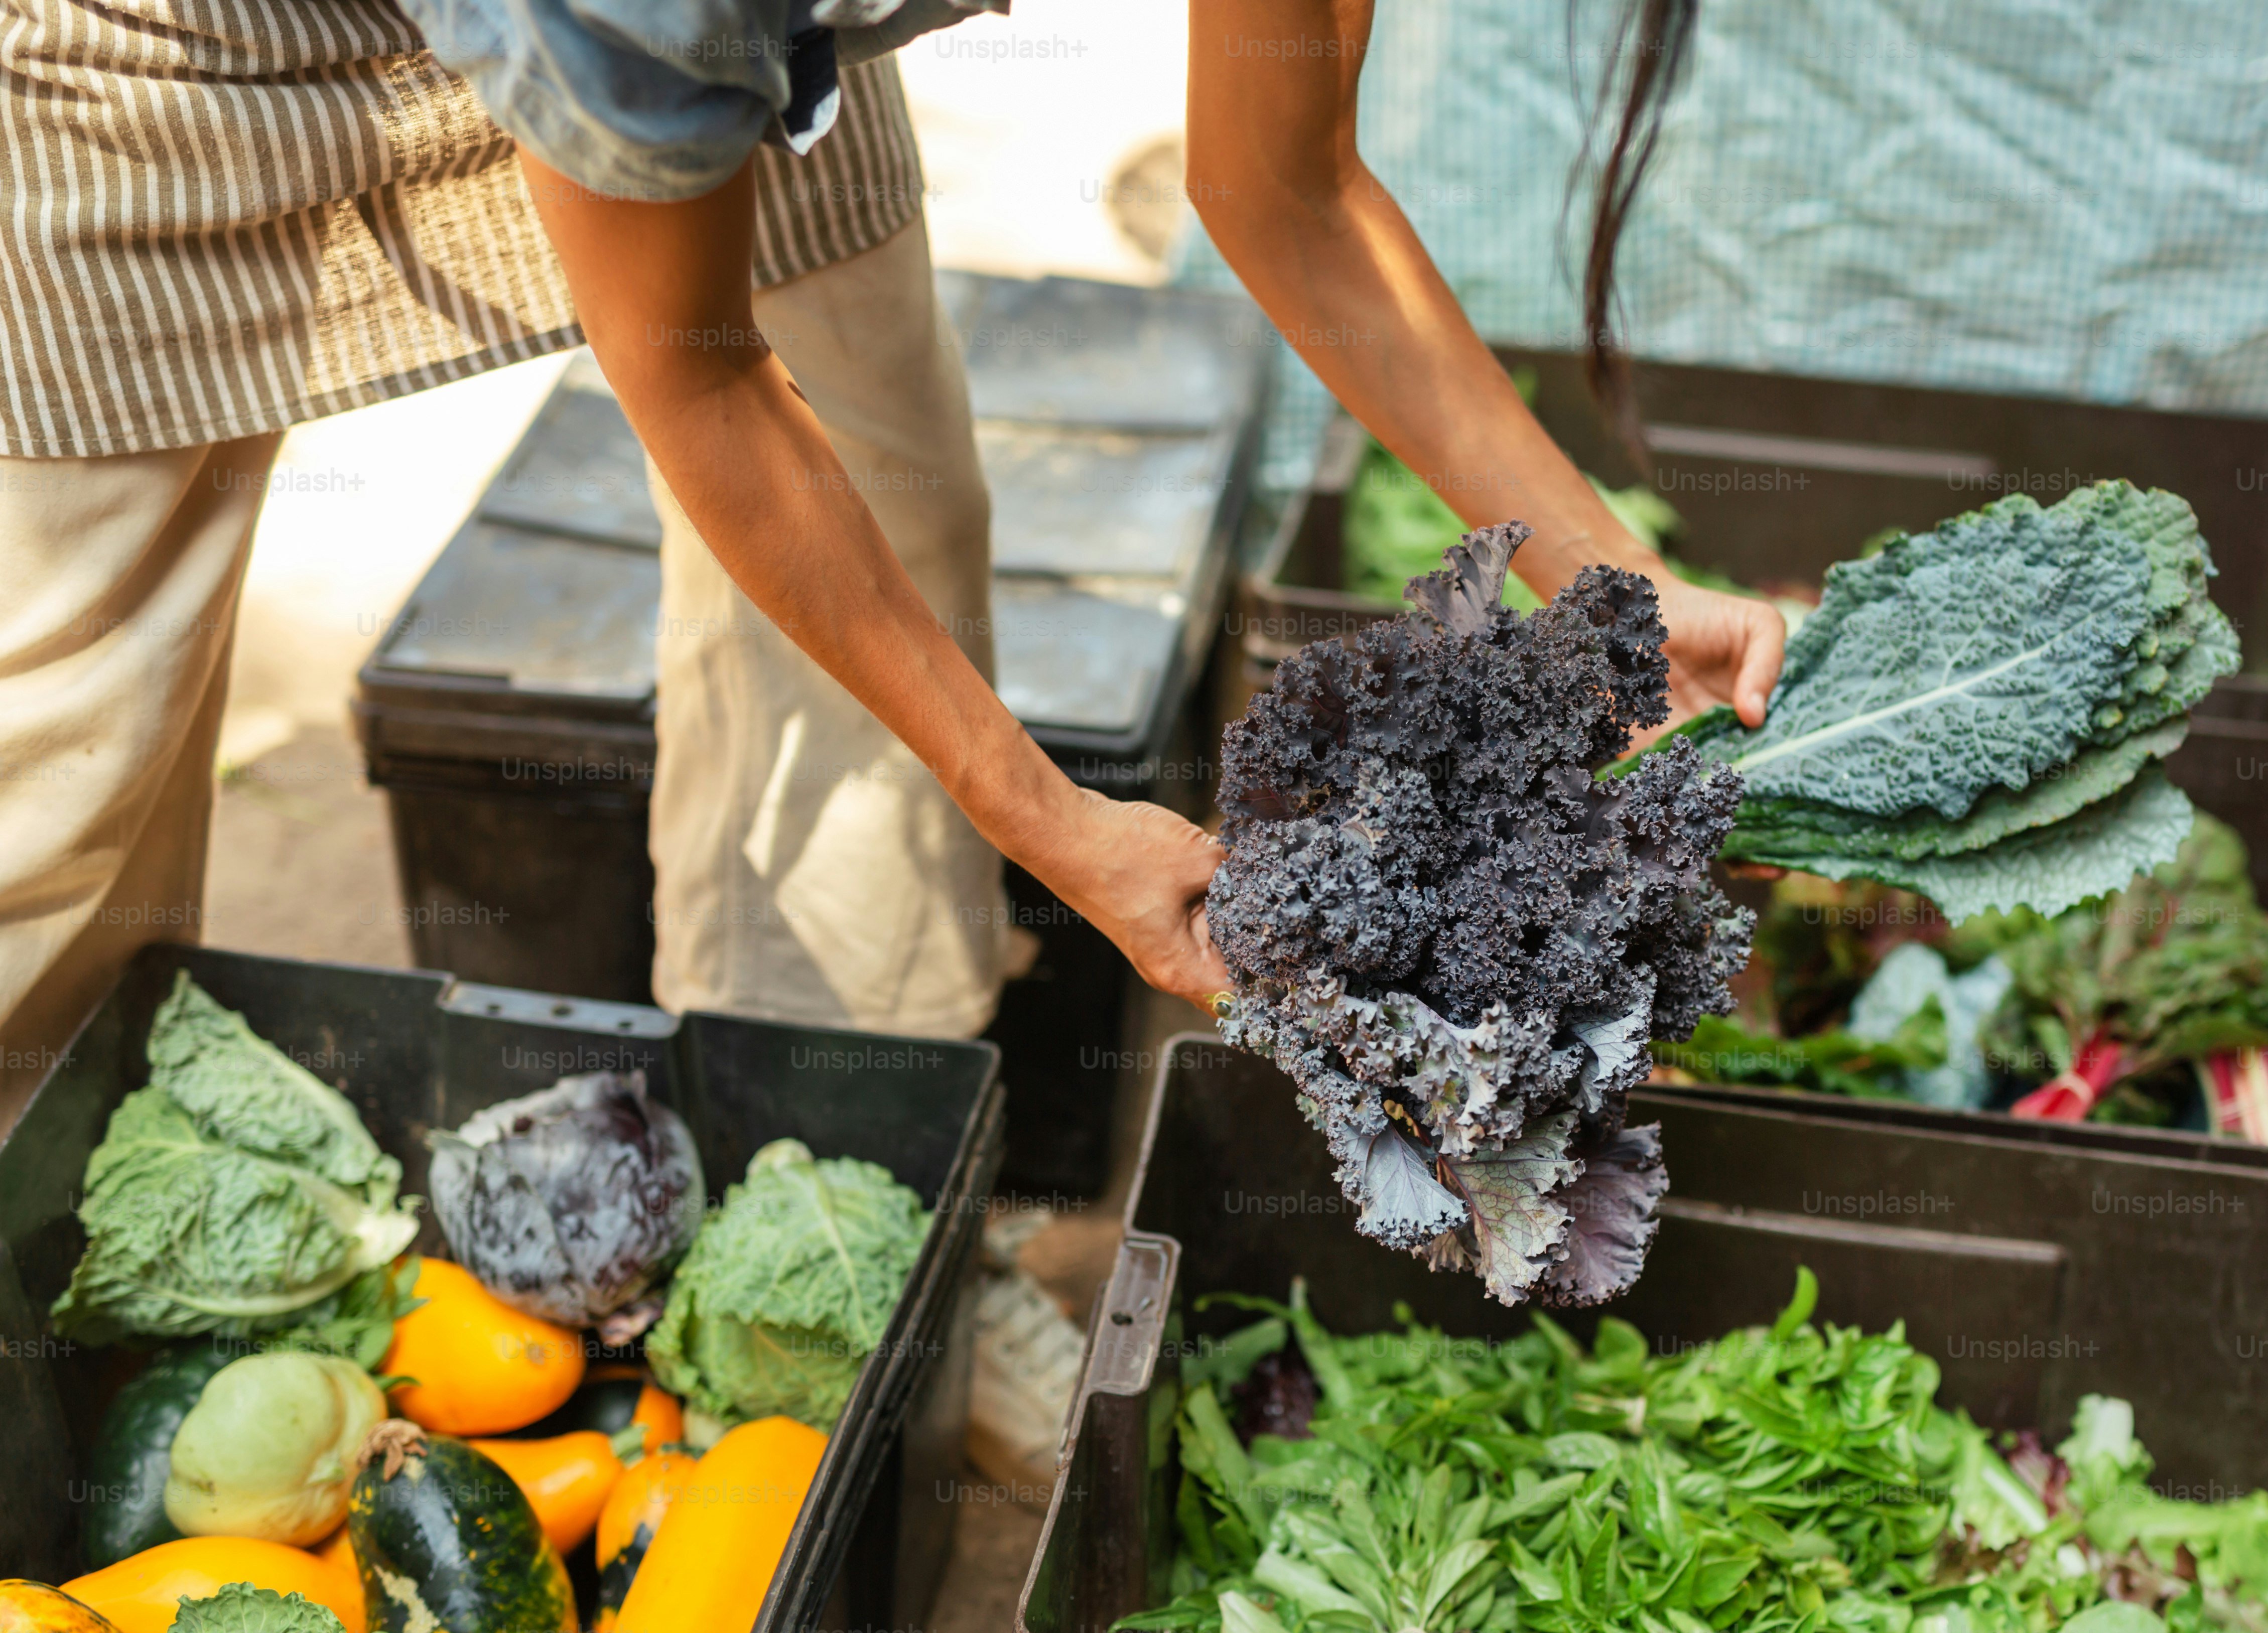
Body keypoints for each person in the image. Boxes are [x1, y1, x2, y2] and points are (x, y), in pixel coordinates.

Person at [0, 0, 1778, 1135]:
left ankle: (840, 1191)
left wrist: (1617, 591)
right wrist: (1058, 823)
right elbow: (696, 387)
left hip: (727, 60)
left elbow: (1290, 192)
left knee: (900, 486)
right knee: (68, 741)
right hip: (181, 54)